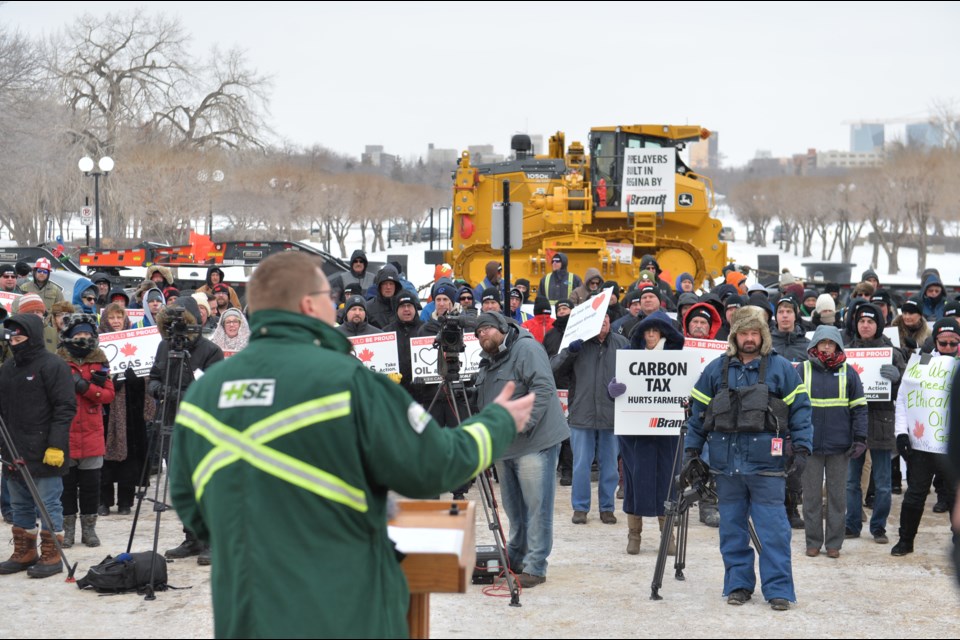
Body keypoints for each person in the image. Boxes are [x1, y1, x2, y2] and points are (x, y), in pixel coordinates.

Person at [169, 252, 533, 638]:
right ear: (309, 305)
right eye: (329, 296)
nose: (337, 306)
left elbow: (189, 504)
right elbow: (435, 466)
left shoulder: (203, 395)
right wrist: (497, 423)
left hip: (245, 617)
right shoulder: (350, 383)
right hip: (346, 614)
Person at [684, 306, 813, 610]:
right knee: (732, 532)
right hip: (727, 468)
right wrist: (692, 452)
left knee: (774, 532)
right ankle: (738, 585)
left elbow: (801, 410)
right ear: (735, 336)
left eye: (755, 333)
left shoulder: (781, 369)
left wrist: (803, 449)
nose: (750, 338)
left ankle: (779, 590)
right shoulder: (716, 369)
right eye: (744, 333)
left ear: (763, 335)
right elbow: (698, 414)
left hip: (767, 467)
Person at [473, 311, 569, 588]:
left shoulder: (526, 348)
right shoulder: (488, 361)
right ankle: (516, 555)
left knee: (537, 506)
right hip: (505, 445)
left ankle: (536, 566)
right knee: (514, 507)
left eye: (488, 329)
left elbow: (543, 387)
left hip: (535, 442)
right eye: (478, 333)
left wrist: (522, 423)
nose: (483, 335)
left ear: (502, 328)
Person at [149, 298, 225, 564]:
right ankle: (191, 537)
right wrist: (161, 390)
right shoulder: (164, 346)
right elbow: (154, 378)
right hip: (171, 421)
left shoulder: (211, 350)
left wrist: (179, 393)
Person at [0, 313, 76, 578]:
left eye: (19, 335)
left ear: (31, 335)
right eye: (12, 336)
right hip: (13, 448)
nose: (14, 340)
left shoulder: (53, 365)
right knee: (19, 504)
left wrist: (56, 445)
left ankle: (51, 552)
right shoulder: (8, 368)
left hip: (45, 449)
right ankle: (25, 550)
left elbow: (65, 407)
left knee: (48, 503)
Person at [607, 310, 685, 554]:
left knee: (667, 483)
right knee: (634, 482)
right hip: (635, 434)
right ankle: (634, 534)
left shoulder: (677, 358)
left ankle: (667, 534)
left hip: (667, 433)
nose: (651, 335)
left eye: (656, 330)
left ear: (664, 333)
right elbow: (614, 388)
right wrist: (613, 390)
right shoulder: (630, 356)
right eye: (647, 330)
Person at [551, 308, 627, 526]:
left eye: (605, 317)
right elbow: (554, 369)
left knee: (610, 465)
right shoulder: (578, 343)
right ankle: (580, 508)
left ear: (610, 320)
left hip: (611, 415)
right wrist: (569, 352)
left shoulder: (622, 343)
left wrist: (624, 388)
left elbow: (635, 374)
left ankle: (607, 508)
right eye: (598, 317)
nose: (602, 321)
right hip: (581, 414)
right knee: (581, 464)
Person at [891, 317, 959, 556]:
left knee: (955, 497)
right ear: (935, 341)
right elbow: (903, 399)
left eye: (954, 343)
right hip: (923, 444)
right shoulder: (921, 363)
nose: (949, 348)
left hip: (953, 447)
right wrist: (901, 433)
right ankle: (905, 540)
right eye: (943, 343)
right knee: (915, 495)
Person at [800, 325, 868, 559]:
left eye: (831, 343)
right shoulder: (802, 370)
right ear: (815, 345)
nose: (827, 347)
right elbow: (792, 406)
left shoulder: (849, 373)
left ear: (838, 346)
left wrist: (860, 438)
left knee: (837, 497)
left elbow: (859, 409)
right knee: (810, 497)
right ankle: (813, 541)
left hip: (840, 447)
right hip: (809, 446)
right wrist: (792, 437)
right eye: (823, 342)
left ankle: (834, 544)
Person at [844, 302, 906, 543]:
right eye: (861, 321)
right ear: (856, 325)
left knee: (882, 483)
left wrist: (897, 378)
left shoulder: (893, 353)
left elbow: (905, 391)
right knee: (851, 481)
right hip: (854, 424)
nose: (866, 325)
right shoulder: (847, 352)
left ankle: (878, 527)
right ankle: (852, 524)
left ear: (878, 325)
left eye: (870, 321)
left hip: (882, 422)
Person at [57, 312, 115, 549]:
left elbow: (109, 395)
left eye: (87, 334)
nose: (83, 337)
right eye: (78, 333)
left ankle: (89, 530)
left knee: (91, 486)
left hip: (91, 432)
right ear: (69, 335)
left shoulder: (100, 360)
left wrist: (85, 387)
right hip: (66, 431)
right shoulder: (58, 361)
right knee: (67, 487)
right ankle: (68, 530)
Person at [98, 303, 151, 517]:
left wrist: (134, 380)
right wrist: (109, 384)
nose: (116, 321)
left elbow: (145, 377)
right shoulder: (99, 346)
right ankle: (104, 501)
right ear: (106, 320)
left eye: (120, 317)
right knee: (105, 456)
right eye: (112, 318)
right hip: (105, 409)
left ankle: (125, 501)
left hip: (130, 409)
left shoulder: (133, 342)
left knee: (130, 457)